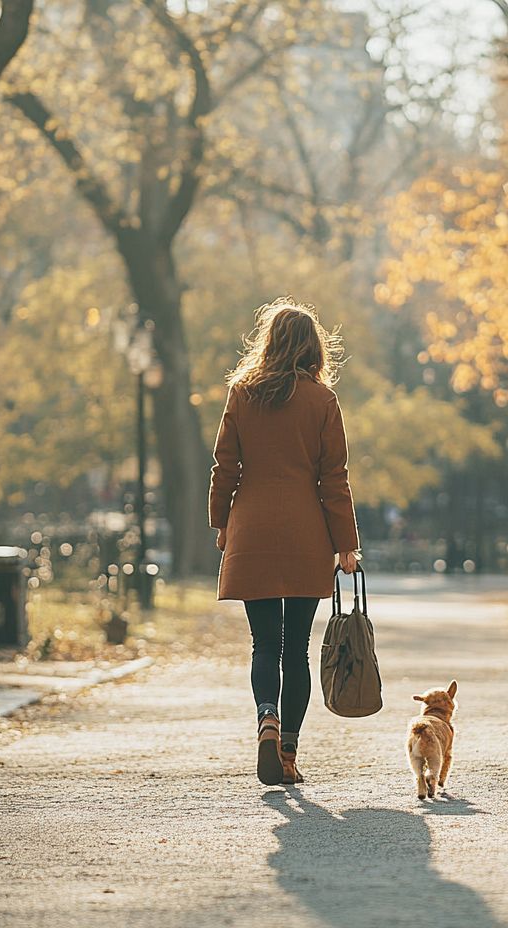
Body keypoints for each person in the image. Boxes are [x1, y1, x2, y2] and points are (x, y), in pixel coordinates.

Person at [209, 297, 359, 787]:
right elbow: (333, 478)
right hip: (304, 533)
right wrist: (346, 544)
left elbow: (224, 467)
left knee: (262, 643)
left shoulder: (241, 394)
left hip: (252, 529)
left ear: (267, 345)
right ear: (313, 348)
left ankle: (266, 719)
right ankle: (289, 750)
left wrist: (221, 521)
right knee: (295, 649)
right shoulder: (322, 401)